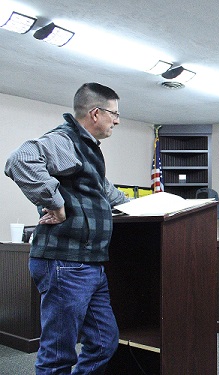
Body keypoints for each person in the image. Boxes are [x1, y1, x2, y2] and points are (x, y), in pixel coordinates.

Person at [4, 83, 129, 374]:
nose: (118, 120)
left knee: (104, 343)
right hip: (65, 263)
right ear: (95, 113)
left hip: (89, 263)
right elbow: (20, 160)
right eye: (114, 113)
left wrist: (158, 205)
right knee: (58, 355)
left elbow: (107, 193)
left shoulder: (87, 150)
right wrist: (55, 203)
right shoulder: (65, 140)